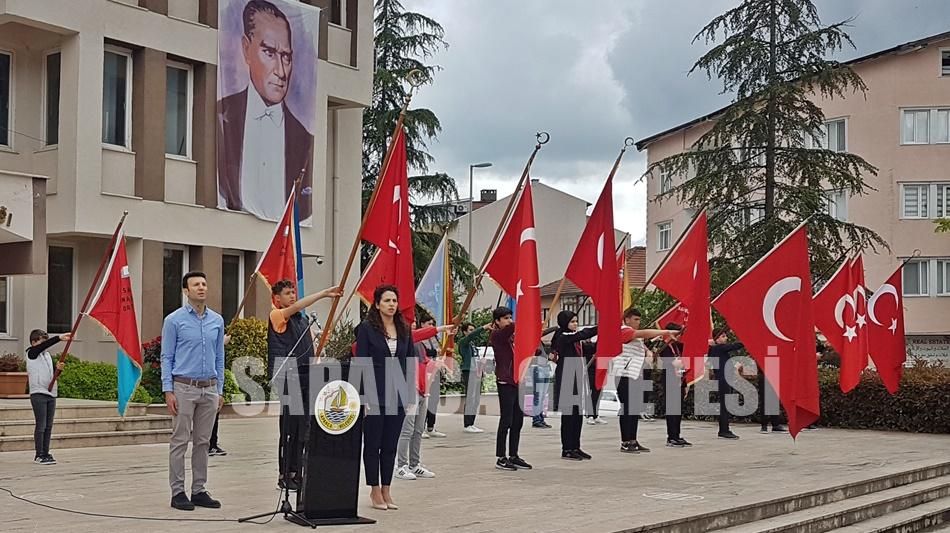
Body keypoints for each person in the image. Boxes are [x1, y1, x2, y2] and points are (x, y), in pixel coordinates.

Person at [217, 0, 314, 221]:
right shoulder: (221, 118)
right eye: (269, 52)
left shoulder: (304, 140)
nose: (281, 71)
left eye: (286, 57)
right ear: (246, 49)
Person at [268, 280, 341, 491]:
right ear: (277, 298)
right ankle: (285, 474)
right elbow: (299, 306)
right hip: (288, 376)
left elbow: (310, 344)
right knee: (290, 428)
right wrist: (323, 293)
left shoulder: (303, 320)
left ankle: (297, 471)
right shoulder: (277, 315)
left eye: (294, 292)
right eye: (287, 293)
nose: (292, 296)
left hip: (306, 375)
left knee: (303, 428)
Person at [161, 272, 225, 511]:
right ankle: (178, 491)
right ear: (186, 291)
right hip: (183, 387)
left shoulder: (217, 320)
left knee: (203, 441)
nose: (201, 288)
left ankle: (198, 489)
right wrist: (168, 390)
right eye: (196, 284)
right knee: (180, 440)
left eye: (204, 284)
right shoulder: (174, 320)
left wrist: (219, 389)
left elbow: (220, 357)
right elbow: (166, 356)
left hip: (209, 388)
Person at [355, 285, 414, 511]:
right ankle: (374, 489)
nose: (392, 305)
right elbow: (361, 362)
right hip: (374, 393)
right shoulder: (367, 328)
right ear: (377, 304)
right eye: (387, 300)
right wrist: (364, 396)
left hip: (397, 393)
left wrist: (408, 394)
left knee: (390, 445)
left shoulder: (404, 328)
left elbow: (409, 363)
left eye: (394, 301)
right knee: (373, 444)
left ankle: (387, 488)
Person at [396, 321, 456, 480]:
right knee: (407, 430)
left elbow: (424, 363)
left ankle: (414, 464)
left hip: (423, 388)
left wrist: (437, 364)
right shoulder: (402, 339)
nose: (413, 324)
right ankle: (401, 466)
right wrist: (442, 328)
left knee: (418, 430)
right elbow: (418, 334)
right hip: (409, 389)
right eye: (409, 321)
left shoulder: (419, 344)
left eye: (414, 321)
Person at [614, 309, 677, 454]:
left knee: (634, 409)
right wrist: (666, 332)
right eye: (635, 319)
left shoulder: (635, 336)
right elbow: (643, 333)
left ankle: (633, 440)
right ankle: (625, 442)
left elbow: (643, 345)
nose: (638, 322)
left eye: (639, 319)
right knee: (627, 409)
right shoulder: (624, 330)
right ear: (627, 319)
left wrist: (648, 352)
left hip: (635, 374)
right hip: (624, 375)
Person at [489, 306, 533, 471]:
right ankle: (501, 457)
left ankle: (514, 455)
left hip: (518, 381)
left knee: (517, 421)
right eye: (506, 318)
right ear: (497, 321)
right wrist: (526, 316)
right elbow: (512, 328)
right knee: (506, 420)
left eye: (510, 317)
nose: (509, 321)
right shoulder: (497, 335)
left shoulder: (511, 337)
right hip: (505, 381)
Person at [551, 310, 598, 461]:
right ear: (564, 323)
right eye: (572, 321)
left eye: (576, 321)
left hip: (577, 376)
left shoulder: (575, 339)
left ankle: (576, 446)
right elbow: (583, 334)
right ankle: (567, 449)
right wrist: (601, 327)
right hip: (566, 377)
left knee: (578, 415)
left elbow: (589, 347)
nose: (575, 324)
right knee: (569, 415)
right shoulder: (562, 336)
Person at [25, 330, 70, 465]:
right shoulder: (31, 353)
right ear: (34, 342)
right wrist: (58, 338)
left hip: (50, 393)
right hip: (38, 393)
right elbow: (41, 347)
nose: (44, 344)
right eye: (42, 341)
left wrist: (58, 370)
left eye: (45, 340)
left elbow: (52, 375)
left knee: (48, 426)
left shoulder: (47, 356)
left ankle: (46, 452)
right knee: (41, 425)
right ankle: (39, 454)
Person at [657, 324, 691, 448]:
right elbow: (674, 363)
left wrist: (685, 384)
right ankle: (671, 437)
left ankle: (677, 435)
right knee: (672, 410)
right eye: (677, 333)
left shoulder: (677, 346)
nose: (679, 336)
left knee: (678, 410)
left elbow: (689, 352)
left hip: (679, 380)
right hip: (670, 380)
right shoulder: (664, 347)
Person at [709, 328, 744, 440]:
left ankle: (724, 429)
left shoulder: (716, 349)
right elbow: (735, 346)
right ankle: (724, 430)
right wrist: (746, 338)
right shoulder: (718, 348)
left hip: (724, 379)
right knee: (725, 406)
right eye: (723, 336)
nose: (726, 338)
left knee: (725, 405)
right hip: (723, 380)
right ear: (717, 339)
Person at [458, 322, 490, 433]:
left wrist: (481, 363)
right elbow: (471, 336)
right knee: (470, 398)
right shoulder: (464, 342)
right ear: (464, 332)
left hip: (476, 372)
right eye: (470, 330)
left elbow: (475, 358)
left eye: (473, 329)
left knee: (476, 399)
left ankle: (472, 422)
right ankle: (467, 424)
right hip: (469, 372)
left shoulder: (472, 345)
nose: (472, 332)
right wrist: (484, 327)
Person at [418, 317, 446, 439]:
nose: (431, 325)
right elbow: (424, 353)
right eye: (429, 323)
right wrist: (435, 352)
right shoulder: (419, 337)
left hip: (435, 370)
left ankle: (431, 426)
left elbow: (440, 351)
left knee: (434, 399)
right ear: (422, 324)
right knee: (425, 400)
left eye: (433, 324)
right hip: (425, 371)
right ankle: (421, 427)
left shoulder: (435, 338)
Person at [584, 342, 608, 426]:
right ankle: (590, 415)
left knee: (598, 393)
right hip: (590, 368)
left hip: (600, 367)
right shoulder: (587, 344)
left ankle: (595, 415)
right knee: (591, 393)